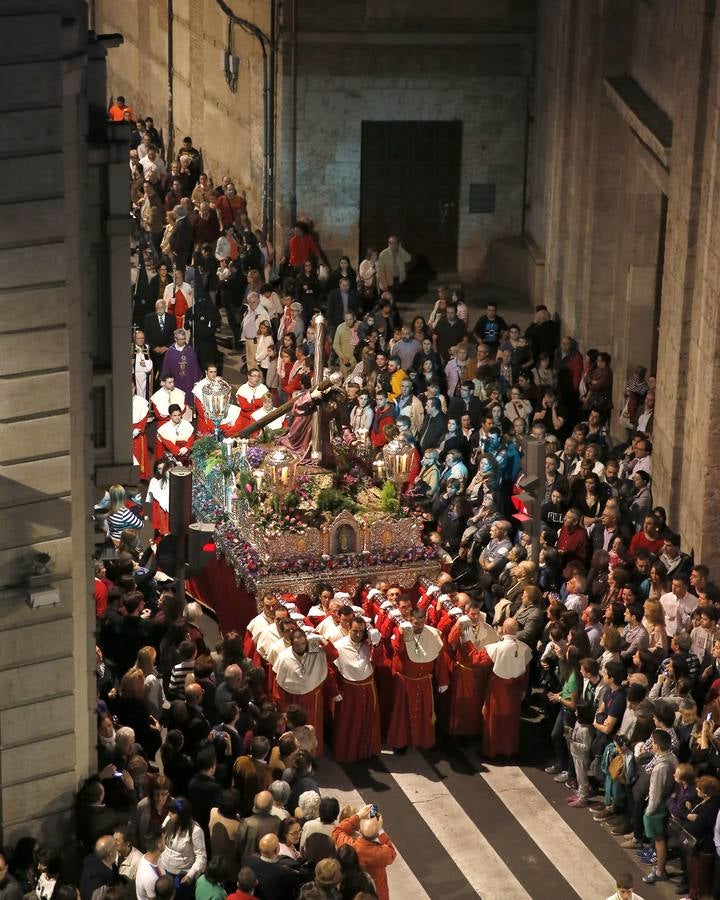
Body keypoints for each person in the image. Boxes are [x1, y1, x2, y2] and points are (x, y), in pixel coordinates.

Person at [385, 607, 449, 751]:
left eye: (421, 623)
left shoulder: (432, 633)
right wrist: (402, 634)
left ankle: (423, 741)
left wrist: (443, 680)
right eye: (415, 623)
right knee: (403, 714)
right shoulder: (402, 631)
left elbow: (439, 659)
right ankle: (401, 743)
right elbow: (398, 650)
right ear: (409, 620)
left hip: (424, 681)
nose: (419, 626)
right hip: (406, 682)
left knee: (424, 713)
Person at [273, 629, 338, 756]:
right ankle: (294, 756)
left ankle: (312, 754)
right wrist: (282, 707)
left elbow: (334, 655)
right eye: (296, 645)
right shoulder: (284, 657)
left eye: (303, 644)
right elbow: (279, 684)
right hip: (293, 699)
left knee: (312, 728)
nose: (300, 647)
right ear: (291, 643)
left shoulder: (315, 652)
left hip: (314, 698)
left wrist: (320, 639)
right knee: (295, 730)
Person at [331, 616, 383, 762]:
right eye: (355, 631)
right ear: (349, 628)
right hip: (349, 690)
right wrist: (335, 691)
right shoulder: (339, 646)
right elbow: (332, 670)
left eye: (361, 631)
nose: (358, 635)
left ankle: (367, 751)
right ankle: (348, 753)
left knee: (368, 719)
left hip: (368, 686)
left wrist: (377, 644)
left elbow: (379, 661)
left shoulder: (368, 644)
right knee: (349, 722)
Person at [481, 619, 533, 758]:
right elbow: (526, 673)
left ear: (504, 630)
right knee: (511, 720)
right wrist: (523, 690)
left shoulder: (496, 648)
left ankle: (492, 751)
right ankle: (509, 750)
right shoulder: (525, 649)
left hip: (497, 689)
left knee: (494, 719)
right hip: (514, 690)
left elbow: (479, 661)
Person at [332, 804, 397, 900]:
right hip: (378, 894)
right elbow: (392, 852)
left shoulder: (349, 845)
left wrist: (358, 816)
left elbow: (337, 831)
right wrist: (380, 830)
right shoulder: (382, 853)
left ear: (360, 830)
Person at [160, 798, 207, 893]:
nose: (169, 815)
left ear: (182, 816)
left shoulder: (195, 831)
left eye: (173, 813)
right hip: (164, 869)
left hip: (181, 875)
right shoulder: (169, 820)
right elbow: (161, 834)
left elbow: (201, 856)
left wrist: (190, 875)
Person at [161, 330, 201, 406]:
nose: (183, 341)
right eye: (180, 339)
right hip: (175, 382)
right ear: (175, 339)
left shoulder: (190, 350)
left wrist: (196, 381)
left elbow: (195, 367)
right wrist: (164, 380)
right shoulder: (170, 352)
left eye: (184, 339)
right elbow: (166, 367)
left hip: (188, 381)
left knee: (188, 401)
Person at [136, 832, 165, 900]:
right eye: (164, 839)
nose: (166, 842)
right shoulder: (150, 877)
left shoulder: (147, 857)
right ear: (159, 845)